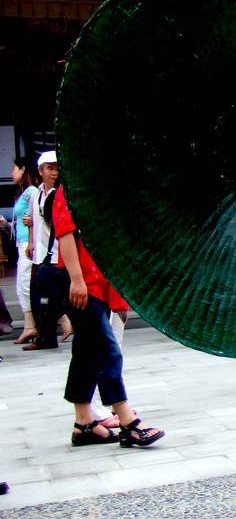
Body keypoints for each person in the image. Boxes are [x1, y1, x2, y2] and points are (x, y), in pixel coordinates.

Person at [52, 183, 164, 448]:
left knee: (86, 353)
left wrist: (116, 295)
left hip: (97, 285)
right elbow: (65, 234)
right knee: (106, 350)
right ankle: (128, 421)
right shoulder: (68, 190)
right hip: (80, 285)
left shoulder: (97, 191)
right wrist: (77, 280)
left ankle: (83, 424)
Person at [25, 151, 68, 351]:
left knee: (55, 297)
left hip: (59, 253)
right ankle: (46, 335)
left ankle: (55, 332)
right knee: (40, 297)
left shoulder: (61, 193)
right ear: (40, 171)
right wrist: (31, 243)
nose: (54, 173)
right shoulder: (36, 194)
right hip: (41, 254)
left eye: (57, 168)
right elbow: (34, 220)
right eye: (50, 168)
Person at [11, 157, 38, 344]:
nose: (12, 173)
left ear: (23, 170)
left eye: (14, 169)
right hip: (21, 242)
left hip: (28, 244)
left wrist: (30, 241)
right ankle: (30, 325)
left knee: (25, 284)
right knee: (22, 286)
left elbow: (36, 215)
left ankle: (31, 326)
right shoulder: (22, 193)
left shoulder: (31, 192)